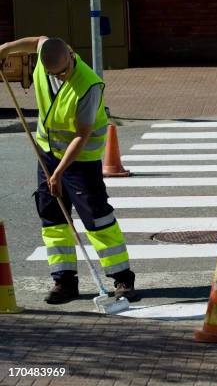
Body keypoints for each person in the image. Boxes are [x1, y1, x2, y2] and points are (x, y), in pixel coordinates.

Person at [0, 37, 138, 304]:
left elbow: (81, 135)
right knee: (52, 218)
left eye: (63, 72)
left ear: (70, 58)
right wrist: (4, 49)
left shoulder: (88, 85)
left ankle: (123, 279)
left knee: (97, 219)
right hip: (47, 153)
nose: (59, 77)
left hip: (81, 160)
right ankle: (64, 281)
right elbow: (38, 40)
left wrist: (59, 172)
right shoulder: (46, 55)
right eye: (54, 74)